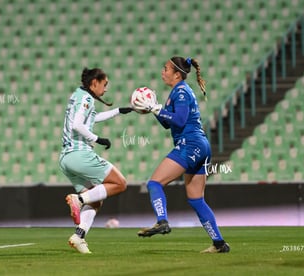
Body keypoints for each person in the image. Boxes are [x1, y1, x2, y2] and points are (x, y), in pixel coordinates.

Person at [133, 56, 230, 253]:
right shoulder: (177, 92)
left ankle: (162, 221)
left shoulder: (182, 91)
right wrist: (154, 108)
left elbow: (179, 120)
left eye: (166, 68)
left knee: (154, 183)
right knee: (196, 199)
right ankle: (219, 244)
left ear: (177, 74)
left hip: (190, 144)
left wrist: (157, 108)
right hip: (201, 146)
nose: (163, 71)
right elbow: (167, 123)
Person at [59, 67, 133, 254]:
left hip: (66, 158)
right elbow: (77, 125)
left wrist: (118, 111)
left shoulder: (78, 95)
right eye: (104, 84)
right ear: (94, 83)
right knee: (120, 183)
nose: (106, 88)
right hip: (80, 153)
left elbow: (90, 119)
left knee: (96, 199)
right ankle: (79, 199)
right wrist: (97, 139)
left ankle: (79, 236)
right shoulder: (87, 98)